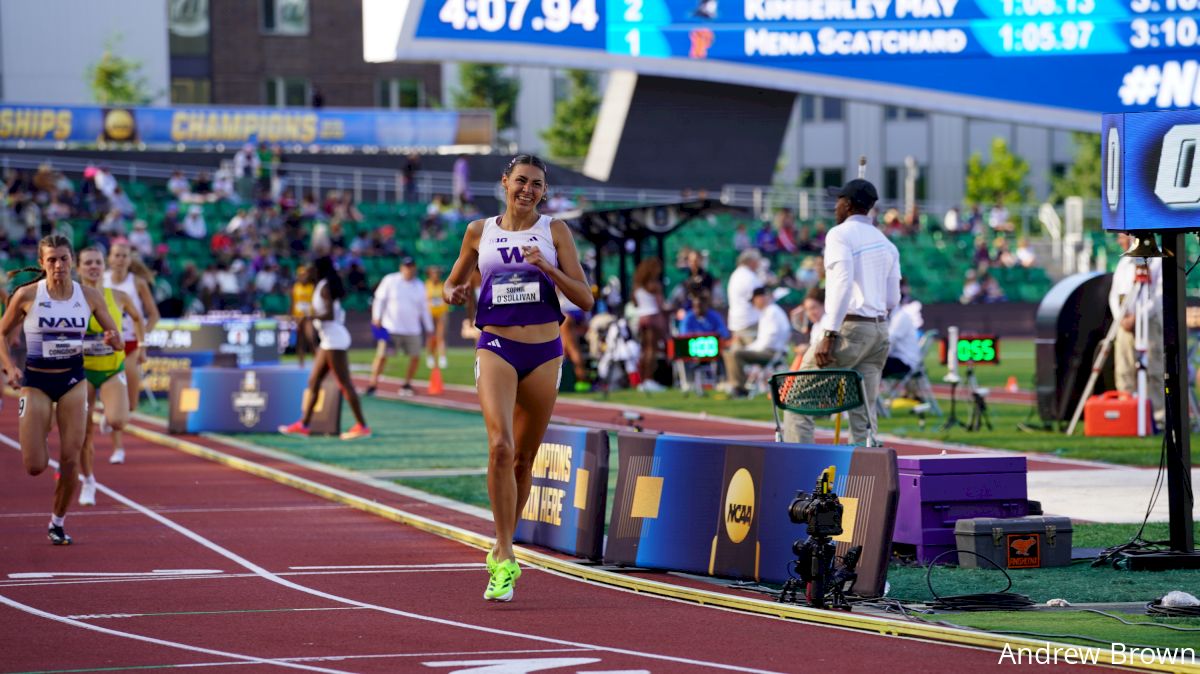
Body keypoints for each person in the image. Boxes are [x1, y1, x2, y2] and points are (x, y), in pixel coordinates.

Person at [441, 154, 593, 602]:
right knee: (500, 447)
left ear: (544, 192)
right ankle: (505, 555)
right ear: (505, 182)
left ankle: (501, 542)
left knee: (525, 459)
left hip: (545, 351)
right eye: (521, 181)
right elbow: (451, 286)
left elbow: (584, 298)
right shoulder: (478, 231)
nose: (528, 189)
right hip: (497, 346)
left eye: (537, 184)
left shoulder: (555, 231)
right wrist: (456, 292)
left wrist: (546, 267)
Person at [0, 235, 123, 544]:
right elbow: (1, 333)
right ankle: (41, 432)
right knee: (35, 465)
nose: (58, 265)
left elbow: (115, 335)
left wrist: (113, 340)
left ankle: (57, 522)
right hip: (37, 383)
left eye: (64, 259)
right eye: (51, 260)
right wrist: (9, 367)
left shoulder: (90, 296)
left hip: (73, 382)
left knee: (70, 458)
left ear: (72, 262)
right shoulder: (27, 295)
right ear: (42, 263)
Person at [784, 178, 900, 446]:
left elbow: (841, 283)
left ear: (847, 205)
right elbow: (893, 298)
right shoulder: (886, 243)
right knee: (864, 414)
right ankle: (867, 479)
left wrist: (829, 332)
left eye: (838, 200)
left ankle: (797, 470)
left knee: (797, 399)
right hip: (879, 330)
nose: (835, 206)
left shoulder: (839, 235)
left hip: (850, 328)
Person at [76, 247, 144, 506]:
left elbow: (138, 318)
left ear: (103, 266)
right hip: (81, 372)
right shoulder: (71, 298)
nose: (93, 267)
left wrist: (142, 345)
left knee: (118, 421)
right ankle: (89, 481)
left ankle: (109, 417)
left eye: (97, 262)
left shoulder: (118, 296)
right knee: (84, 434)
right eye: (88, 262)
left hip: (111, 369)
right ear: (79, 267)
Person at [279, 256, 372, 440]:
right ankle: (304, 424)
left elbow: (328, 314)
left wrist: (309, 317)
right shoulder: (321, 285)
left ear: (318, 270)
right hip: (328, 340)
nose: (308, 272)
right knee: (314, 381)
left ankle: (362, 426)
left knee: (345, 384)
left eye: (311, 268)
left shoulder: (324, 287)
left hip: (334, 340)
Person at [104, 242, 160, 465]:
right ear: (110, 258)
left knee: (132, 404)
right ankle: (118, 447)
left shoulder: (137, 283)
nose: (119, 259)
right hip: (107, 346)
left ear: (129, 259)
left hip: (132, 344)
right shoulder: (102, 280)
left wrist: (141, 340)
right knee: (119, 398)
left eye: (123, 256)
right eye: (116, 255)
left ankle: (113, 418)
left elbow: (153, 315)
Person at [1108, 233, 1165, 426]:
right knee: (1124, 368)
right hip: (1124, 323)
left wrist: (1140, 316)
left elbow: (1158, 294)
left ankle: (1157, 416)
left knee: (1154, 369)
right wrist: (1121, 317)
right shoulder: (1124, 263)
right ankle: (1127, 413)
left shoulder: (1156, 261)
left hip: (1148, 321)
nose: (1119, 240)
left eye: (1121, 236)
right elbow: (1114, 294)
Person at [366, 257, 432, 397]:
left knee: (415, 356)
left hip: (412, 328)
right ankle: (373, 384)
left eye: (411, 266)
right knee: (382, 356)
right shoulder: (390, 280)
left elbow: (424, 309)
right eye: (406, 266)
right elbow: (379, 299)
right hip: (390, 327)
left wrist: (429, 327)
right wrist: (376, 317)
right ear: (401, 268)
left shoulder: (419, 285)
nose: (409, 269)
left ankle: (407, 383)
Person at [731, 287, 791, 397]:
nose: (754, 304)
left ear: (760, 298)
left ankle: (740, 388)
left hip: (772, 353)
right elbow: (764, 340)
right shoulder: (768, 312)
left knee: (736, 354)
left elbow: (769, 340)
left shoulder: (771, 312)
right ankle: (739, 386)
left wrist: (749, 349)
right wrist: (749, 348)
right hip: (771, 351)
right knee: (736, 352)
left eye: (754, 300)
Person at [723, 248, 764, 390]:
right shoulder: (750, 277)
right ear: (751, 261)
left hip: (736, 322)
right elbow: (759, 300)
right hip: (750, 322)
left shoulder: (735, 275)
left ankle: (737, 385)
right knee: (757, 354)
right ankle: (763, 384)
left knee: (735, 355)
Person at [632, 258, 667, 392]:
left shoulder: (637, 286)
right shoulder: (654, 285)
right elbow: (660, 305)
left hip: (641, 318)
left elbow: (635, 303)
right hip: (652, 317)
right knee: (652, 350)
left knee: (644, 350)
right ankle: (649, 379)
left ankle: (642, 380)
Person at [290, 265, 316, 368]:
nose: (303, 277)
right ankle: (301, 363)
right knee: (300, 341)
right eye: (301, 275)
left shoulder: (312, 287)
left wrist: (312, 315)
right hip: (298, 317)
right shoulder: (296, 287)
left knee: (311, 339)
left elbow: (314, 302)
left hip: (309, 317)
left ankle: (316, 362)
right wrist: (292, 316)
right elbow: (293, 302)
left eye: (305, 275)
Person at [425, 265, 449, 369]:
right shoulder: (426, 286)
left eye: (437, 273)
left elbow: (446, 300)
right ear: (430, 274)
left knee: (441, 336)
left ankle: (442, 358)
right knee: (431, 336)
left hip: (441, 313)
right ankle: (430, 356)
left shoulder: (443, 285)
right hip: (429, 314)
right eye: (433, 273)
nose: (436, 275)